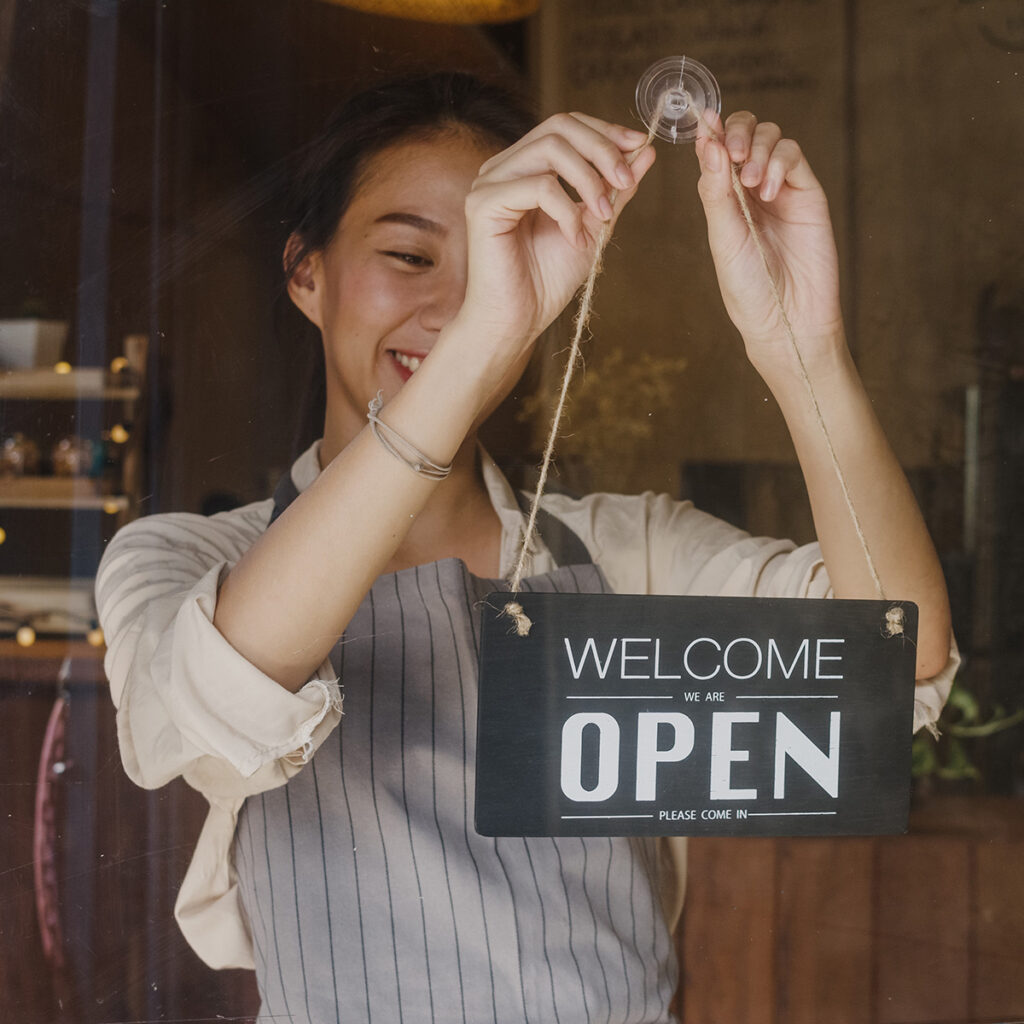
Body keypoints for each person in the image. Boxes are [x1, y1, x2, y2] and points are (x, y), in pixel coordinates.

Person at [96, 71, 956, 1023]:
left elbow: (890, 666)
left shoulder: (626, 553)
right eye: (412, 257)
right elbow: (220, 695)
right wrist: (478, 342)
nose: (457, 301)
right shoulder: (179, 561)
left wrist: (805, 349)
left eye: (495, 261)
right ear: (307, 272)